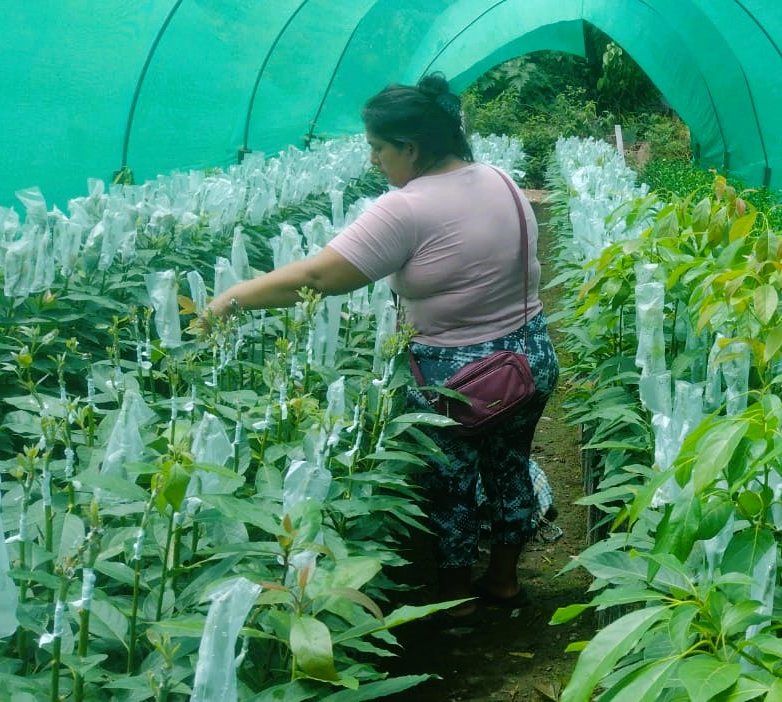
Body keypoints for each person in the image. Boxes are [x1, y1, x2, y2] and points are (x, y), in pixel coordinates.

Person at [208, 73, 559, 622]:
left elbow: (320, 278)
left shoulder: (407, 207)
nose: (373, 160)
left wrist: (230, 300)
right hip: (528, 361)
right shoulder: (499, 178)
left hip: (458, 380)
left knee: (451, 489)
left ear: (411, 148)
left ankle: (453, 600)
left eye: (378, 148)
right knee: (510, 471)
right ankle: (504, 583)